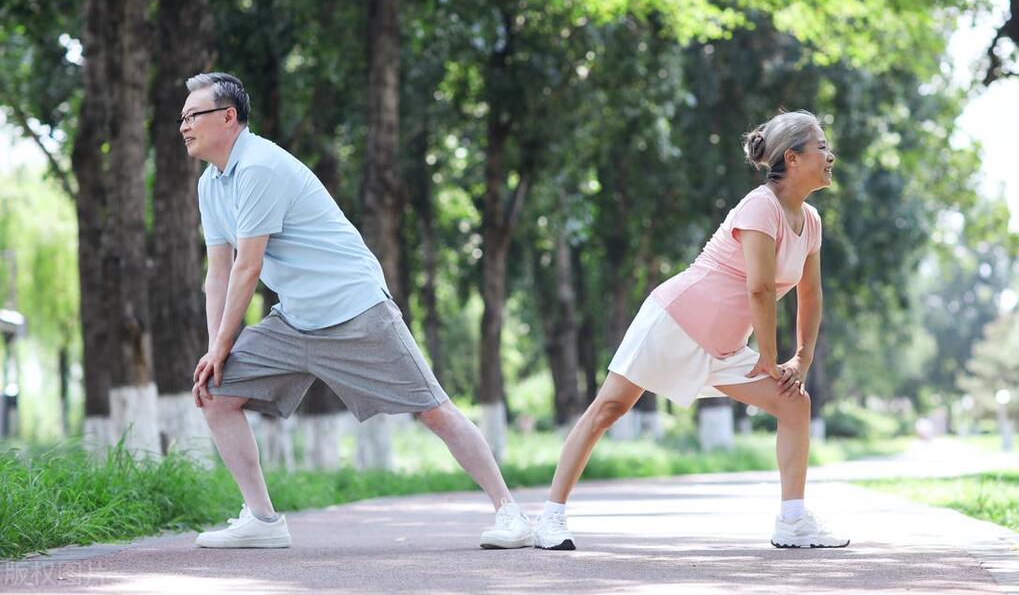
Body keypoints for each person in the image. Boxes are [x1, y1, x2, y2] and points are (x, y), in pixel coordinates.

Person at [182, 72, 531, 550]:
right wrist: (214, 352)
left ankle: (511, 513)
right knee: (214, 393)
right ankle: (262, 520)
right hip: (296, 319)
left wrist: (224, 343)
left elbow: (249, 267)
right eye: (181, 118)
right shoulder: (210, 184)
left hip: (356, 310)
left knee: (434, 411)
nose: (184, 125)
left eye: (193, 115)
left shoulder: (260, 166)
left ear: (228, 117)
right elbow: (218, 274)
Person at [533, 110, 848, 551]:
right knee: (609, 409)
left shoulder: (810, 221)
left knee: (795, 404)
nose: (830, 156)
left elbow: (810, 295)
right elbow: (759, 289)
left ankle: (793, 521)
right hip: (676, 320)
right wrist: (768, 355)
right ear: (792, 158)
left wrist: (802, 358)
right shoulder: (760, 206)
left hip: (724, 345)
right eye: (822, 147)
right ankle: (550, 517)